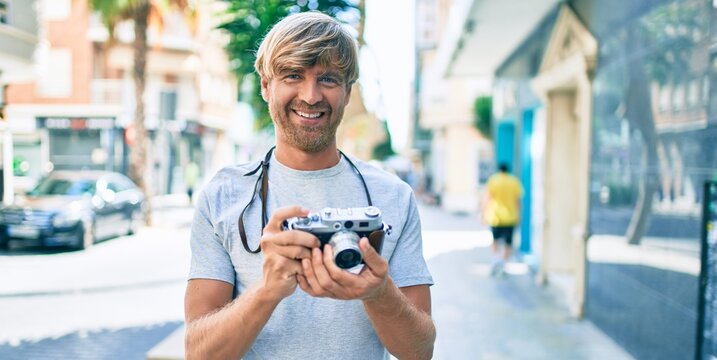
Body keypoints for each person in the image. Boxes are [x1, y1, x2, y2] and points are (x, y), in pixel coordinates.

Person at [184, 12, 436, 360]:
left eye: (328, 79)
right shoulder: (224, 196)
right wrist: (268, 290)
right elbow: (199, 354)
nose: (311, 95)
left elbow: (420, 351)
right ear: (265, 85)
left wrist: (378, 293)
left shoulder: (392, 197)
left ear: (348, 92)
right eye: (292, 75)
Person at [483, 163, 524, 276]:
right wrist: (519, 215)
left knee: (495, 240)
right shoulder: (514, 181)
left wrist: (483, 214)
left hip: (496, 216)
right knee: (508, 243)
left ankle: (496, 261)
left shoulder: (494, 180)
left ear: (499, 170)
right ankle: (503, 264)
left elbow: (488, 198)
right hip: (510, 217)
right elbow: (517, 201)